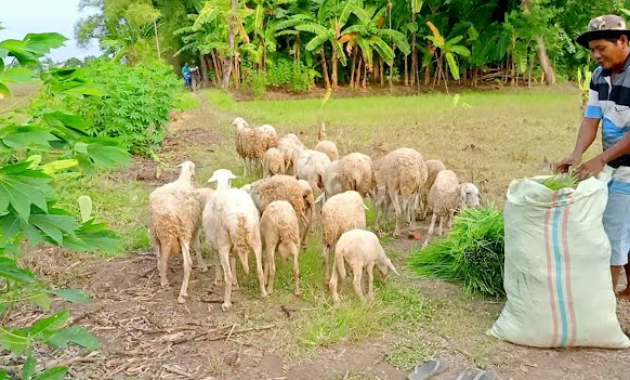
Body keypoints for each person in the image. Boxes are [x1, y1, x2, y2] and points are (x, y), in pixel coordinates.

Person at [554, 14, 630, 299]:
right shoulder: (599, 76)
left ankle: (603, 306)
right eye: (593, 51)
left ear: (622, 41)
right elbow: (591, 118)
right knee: (621, 224)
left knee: (613, 229)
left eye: (602, 49)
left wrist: (601, 159)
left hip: (625, 166)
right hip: (616, 161)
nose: (596, 56)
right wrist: (577, 154)